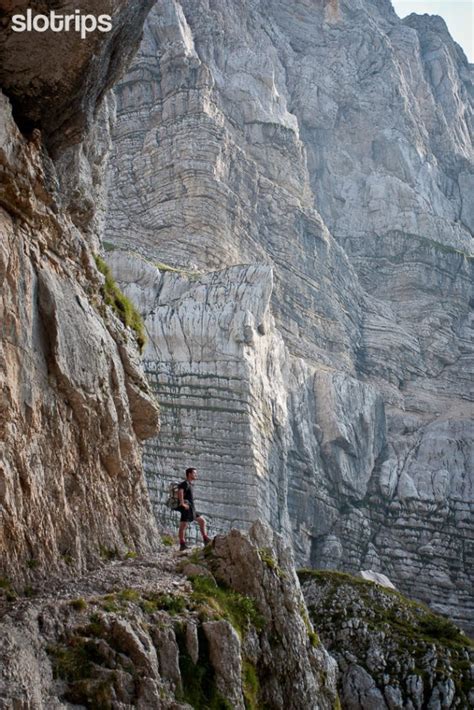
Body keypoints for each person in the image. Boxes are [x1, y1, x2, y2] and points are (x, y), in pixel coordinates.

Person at [177, 467, 210, 551]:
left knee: (202, 521)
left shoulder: (189, 483)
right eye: (194, 473)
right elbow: (180, 491)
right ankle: (182, 544)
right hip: (186, 508)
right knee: (183, 526)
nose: (196, 475)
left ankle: (205, 539)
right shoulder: (185, 483)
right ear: (189, 474)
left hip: (191, 509)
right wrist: (182, 503)